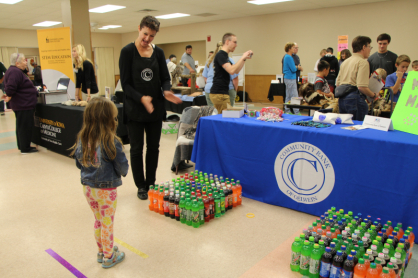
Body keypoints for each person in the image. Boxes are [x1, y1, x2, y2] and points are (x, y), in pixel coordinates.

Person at [119, 15, 182, 200]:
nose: (147, 39)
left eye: (152, 36)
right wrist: (141, 98)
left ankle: (151, 183)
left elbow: (164, 77)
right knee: (137, 149)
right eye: (145, 34)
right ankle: (140, 185)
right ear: (139, 28)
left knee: (153, 148)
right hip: (135, 109)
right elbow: (126, 84)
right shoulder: (127, 51)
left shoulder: (159, 52)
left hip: (155, 109)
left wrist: (167, 90)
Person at [71, 98, 128, 269]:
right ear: (108, 119)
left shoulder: (82, 137)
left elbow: (78, 162)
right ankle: (109, 257)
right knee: (107, 223)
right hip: (106, 190)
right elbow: (122, 164)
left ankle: (102, 251)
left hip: (88, 188)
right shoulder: (111, 140)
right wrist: (122, 173)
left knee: (98, 220)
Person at [2, 53, 38, 154]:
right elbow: (10, 87)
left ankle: (23, 146)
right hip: (23, 104)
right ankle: (25, 148)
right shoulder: (15, 72)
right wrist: (8, 95)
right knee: (25, 126)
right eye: (24, 60)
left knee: (21, 126)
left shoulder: (13, 71)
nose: (26, 62)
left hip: (22, 104)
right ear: (17, 63)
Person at [335, 36, 377, 121]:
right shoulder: (363, 62)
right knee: (357, 129)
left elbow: (337, 84)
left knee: (345, 128)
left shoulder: (345, 62)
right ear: (364, 47)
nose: (370, 50)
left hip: (342, 99)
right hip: (355, 99)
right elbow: (361, 87)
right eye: (370, 47)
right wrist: (373, 95)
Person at [210, 33, 252, 113]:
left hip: (221, 93)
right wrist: (242, 57)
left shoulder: (225, 56)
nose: (236, 45)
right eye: (234, 42)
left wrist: (244, 59)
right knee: (225, 118)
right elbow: (232, 70)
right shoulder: (221, 55)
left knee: (222, 118)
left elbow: (235, 71)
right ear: (227, 42)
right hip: (219, 93)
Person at [203, 42, 238, 108]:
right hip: (225, 90)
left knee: (212, 112)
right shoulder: (228, 60)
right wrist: (234, 90)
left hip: (209, 90)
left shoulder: (209, 61)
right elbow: (235, 78)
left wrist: (209, 85)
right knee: (227, 114)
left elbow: (205, 77)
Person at [283, 42, 300, 114]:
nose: (294, 49)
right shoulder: (289, 57)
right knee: (294, 96)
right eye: (293, 47)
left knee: (289, 95)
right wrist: (298, 67)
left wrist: (296, 67)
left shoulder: (287, 57)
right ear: (289, 49)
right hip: (290, 78)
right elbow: (293, 69)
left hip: (289, 78)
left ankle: (287, 111)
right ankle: (296, 112)